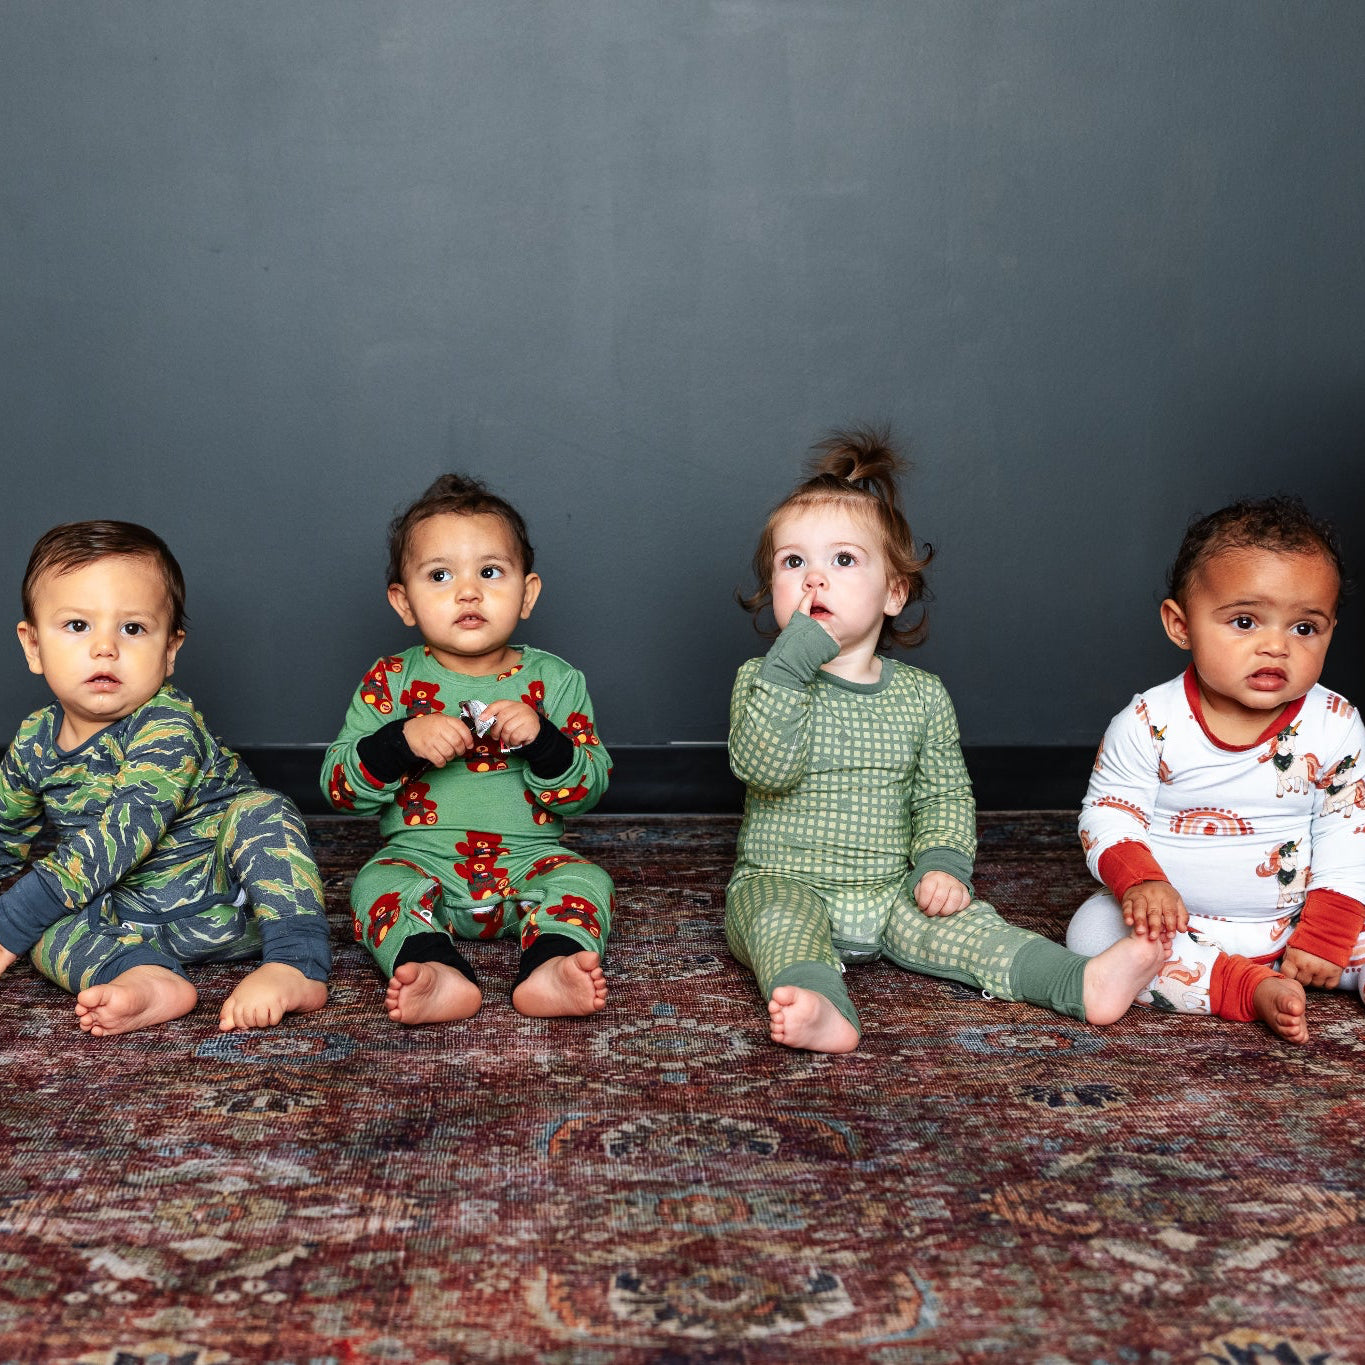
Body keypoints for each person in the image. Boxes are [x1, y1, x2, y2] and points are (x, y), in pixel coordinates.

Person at [726, 428, 1166, 1052]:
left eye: (842, 560)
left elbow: (944, 796)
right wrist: (790, 664)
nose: (813, 581)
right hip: (783, 879)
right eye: (792, 563)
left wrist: (941, 865)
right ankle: (824, 1005)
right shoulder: (763, 679)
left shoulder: (921, 696)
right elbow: (763, 767)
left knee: (969, 928)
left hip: (888, 886)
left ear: (894, 593)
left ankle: (1079, 980)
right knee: (777, 926)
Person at [0, 521, 331, 1036]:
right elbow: (5, 834)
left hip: (228, 900)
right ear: (33, 645)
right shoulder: (32, 743)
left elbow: (123, 833)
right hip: (124, 920)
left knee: (265, 810)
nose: (105, 648)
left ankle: (294, 962)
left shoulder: (168, 724)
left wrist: (10, 922)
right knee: (46, 928)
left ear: (170, 650)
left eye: (132, 628)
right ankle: (146, 979)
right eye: (77, 626)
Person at [1067, 495, 1365, 1045]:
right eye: (1245, 621)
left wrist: (1326, 932)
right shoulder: (1148, 722)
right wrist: (1144, 881)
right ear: (1180, 625)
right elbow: (1109, 814)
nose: (1275, 646)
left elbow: (1348, 829)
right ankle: (1242, 987)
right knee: (1091, 932)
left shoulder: (1336, 723)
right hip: (1180, 924)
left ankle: (1325, 966)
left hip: (1300, 919)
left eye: (1305, 628)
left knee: (1357, 910)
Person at [321, 473, 612, 1024]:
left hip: (531, 863)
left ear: (526, 593)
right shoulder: (390, 681)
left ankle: (552, 962)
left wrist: (544, 741)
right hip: (419, 861)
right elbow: (339, 788)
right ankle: (433, 967)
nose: (468, 592)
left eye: (490, 572)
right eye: (440, 575)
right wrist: (399, 741)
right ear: (404, 602)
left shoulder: (556, 679)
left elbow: (588, 787)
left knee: (585, 881)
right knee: (375, 885)